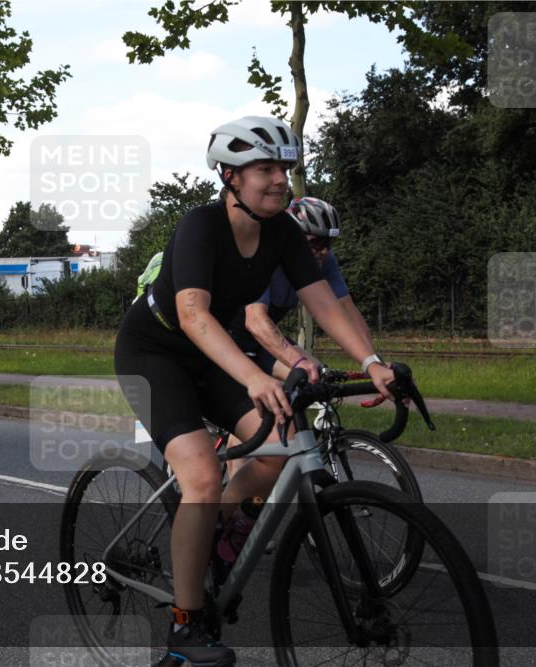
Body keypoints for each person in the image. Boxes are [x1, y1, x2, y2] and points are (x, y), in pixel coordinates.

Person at [113, 116, 395, 666]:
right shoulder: (200, 226)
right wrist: (254, 375)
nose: (278, 181)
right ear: (230, 177)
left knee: (283, 442)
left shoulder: (285, 233)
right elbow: (193, 316)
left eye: (284, 170)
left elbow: (325, 302)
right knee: (198, 475)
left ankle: (219, 530)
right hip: (156, 355)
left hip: (214, 357)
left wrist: (373, 361)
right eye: (264, 169)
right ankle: (184, 629)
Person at [227, 196, 374, 384]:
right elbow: (255, 321)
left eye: (329, 243)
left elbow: (348, 312)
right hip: (230, 340)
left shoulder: (325, 261)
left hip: (262, 339)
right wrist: (298, 361)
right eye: (316, 243)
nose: (324, 251)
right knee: (301, 382)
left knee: (322, 380)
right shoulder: (265, 255)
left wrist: (373, 362)